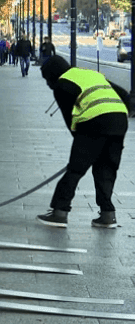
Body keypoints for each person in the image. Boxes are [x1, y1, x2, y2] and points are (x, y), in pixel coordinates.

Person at [36, 55, 130, 229]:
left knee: (75, 170)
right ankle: (107, 215)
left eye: (47, 79)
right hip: (119, 121)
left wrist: (83, 150)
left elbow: (70, 119)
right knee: (106, 168)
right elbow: (124, 94)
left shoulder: (61, 84)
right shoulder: (90, 74)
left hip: (95, 121)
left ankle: (59, 212)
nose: (48, 84)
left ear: (51, 75)